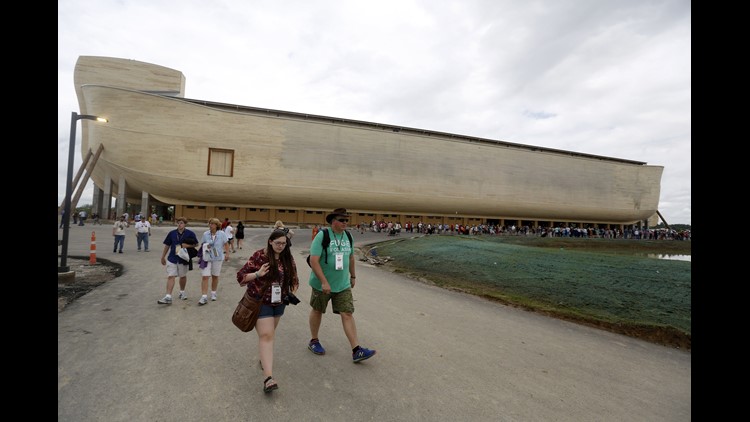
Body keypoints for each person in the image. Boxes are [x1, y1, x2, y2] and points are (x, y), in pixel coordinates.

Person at [307, 208, 376, 363]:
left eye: (347, 220)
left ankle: (356, 350)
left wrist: (353, 276)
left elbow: (351, 258)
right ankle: (314, 340)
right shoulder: (322, 236)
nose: (345, 223)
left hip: (342, 284)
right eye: (342, 220)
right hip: (321, 284)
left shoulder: (348, 236)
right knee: (318, 310)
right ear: (333, 221)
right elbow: (313, 260)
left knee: (347, 313)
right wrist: (324, 281)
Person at [236, 229, 300, 393]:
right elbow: (241, 277)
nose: (280, 246)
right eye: (277, 243)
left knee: (270, 334)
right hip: (260, 301)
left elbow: (294, 276)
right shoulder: (259, 256)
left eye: (284, 243)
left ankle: (264, 359)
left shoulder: (287, 257)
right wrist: (257, 274)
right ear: (270, 241)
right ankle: (268, 378)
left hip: (279, 302)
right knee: (267, 335)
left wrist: (293, 285)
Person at [158, 217, 199, 304]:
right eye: (178, 223)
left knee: (182, 276)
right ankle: (168, 296)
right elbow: (167, 245)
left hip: (183, 258)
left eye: (181, 223)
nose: (179, 224)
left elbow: (196, 244)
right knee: (171, 276)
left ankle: (182, 292)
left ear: (185, 224)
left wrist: (187, 246)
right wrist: (163, 257)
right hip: (172, 258)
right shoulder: (172, 233)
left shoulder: (190, 233)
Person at [198, 217, 230, 305]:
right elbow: (202, 244)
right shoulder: (205, 234)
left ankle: (213, 293)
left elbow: (226, 244)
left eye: (212, 224)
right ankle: (204, 296)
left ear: (217, 225)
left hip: (218, 257)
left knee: (215, 276)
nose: (210, 225)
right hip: (207, 258)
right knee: (205, 276)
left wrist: (227, 254)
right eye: (210, 223)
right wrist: (205, 246)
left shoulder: (222, 234)